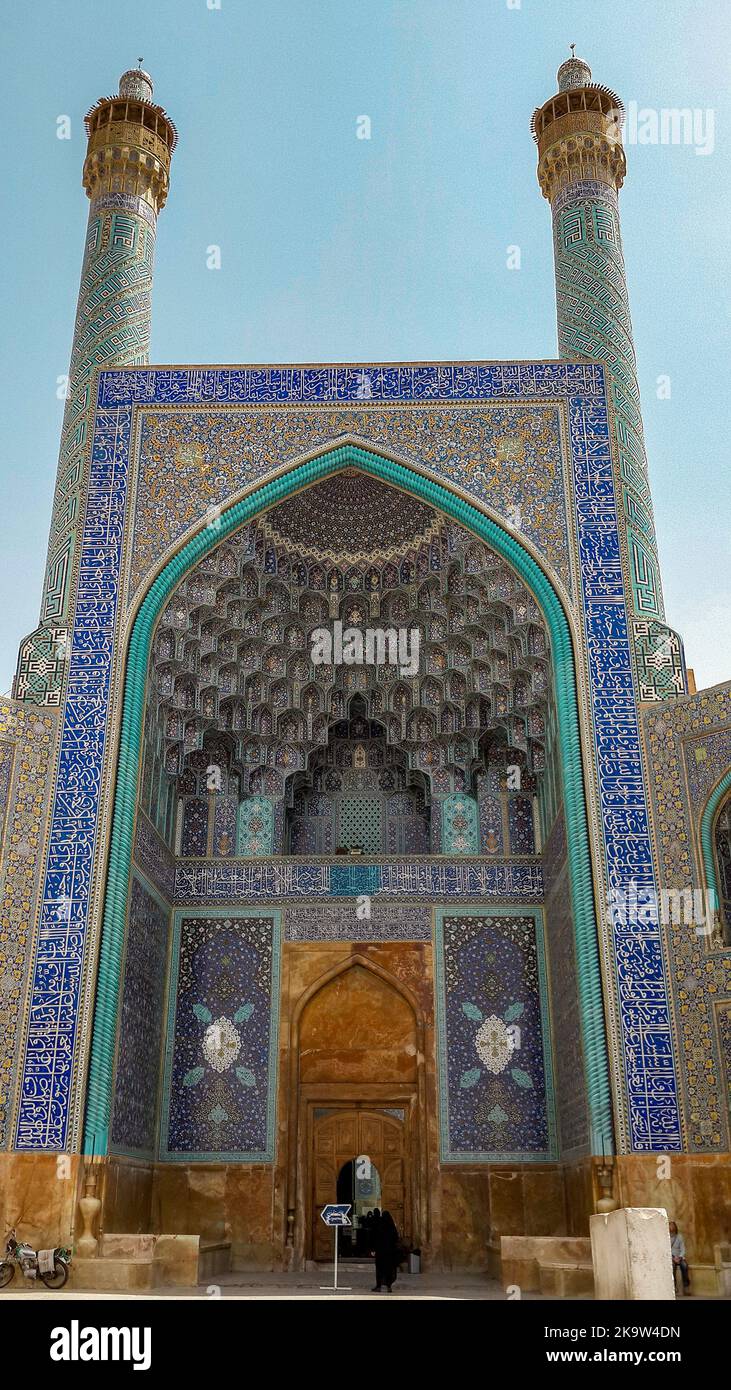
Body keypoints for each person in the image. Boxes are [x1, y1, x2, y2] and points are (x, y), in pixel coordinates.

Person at [371, 1209, 399, 1293]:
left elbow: (375, 1238)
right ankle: (389, 1286)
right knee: (389, 1269)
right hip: (390, 1252)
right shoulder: (392, 1227)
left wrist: (373, 1249)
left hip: (380, 1252)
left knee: (380, 1269)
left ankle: (378, 1286)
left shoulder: (379, 1226)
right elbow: (396, 1239)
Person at [669, 1221, 690, 1293]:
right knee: (672, 1266)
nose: (671, 1228)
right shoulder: (666, 1237)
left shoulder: (679, 1236)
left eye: (673, 1226)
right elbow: (666, 1249)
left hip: (679, 1257)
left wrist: (680, 1257)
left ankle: (686, 1286)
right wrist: (673, 1258)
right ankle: (674, 1287)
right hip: (671, 1257)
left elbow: (683, 1248)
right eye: (670, 1226)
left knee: (684, 1265)